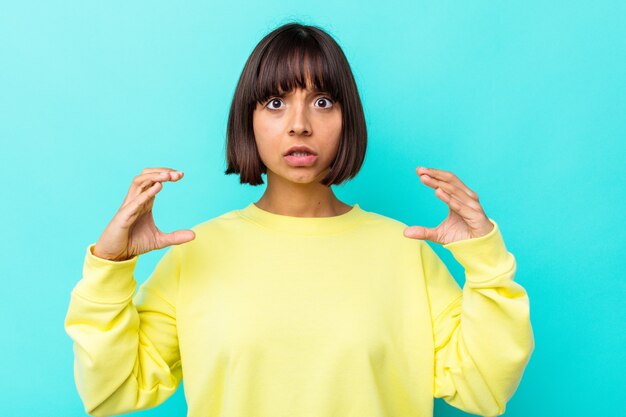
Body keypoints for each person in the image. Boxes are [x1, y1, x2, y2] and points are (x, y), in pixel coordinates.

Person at [65, 22, 534, 417]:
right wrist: (110, 268)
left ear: (348, 119)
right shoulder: (196, 253)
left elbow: (482, 387)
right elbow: (115, 389)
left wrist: (486, 261)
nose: (299, 124)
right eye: (275, 103)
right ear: (246, 120)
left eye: (323, 101)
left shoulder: (404, 250)